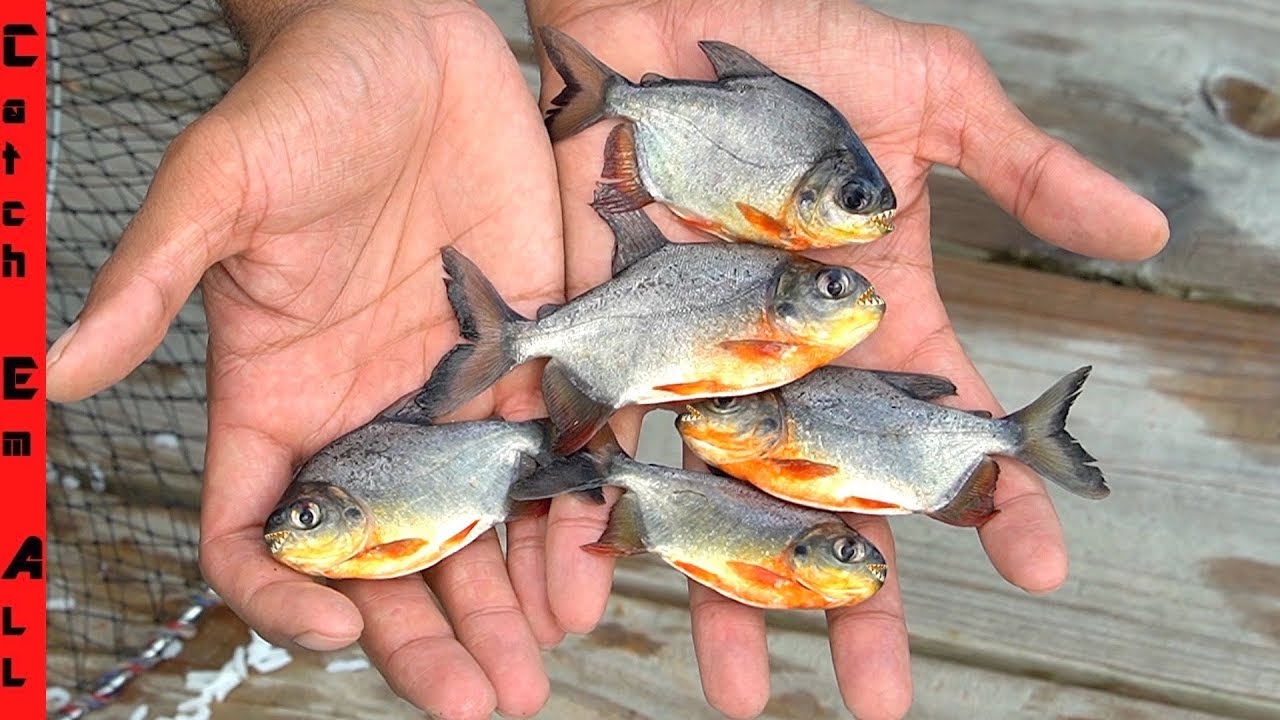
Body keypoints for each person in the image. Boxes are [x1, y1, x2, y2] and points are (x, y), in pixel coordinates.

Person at [45, 1, 1169, 718]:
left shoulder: (769, 308)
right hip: (637, 326)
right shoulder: (749, 297)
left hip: (643, 329)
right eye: (829, 262)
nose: (843, 258)